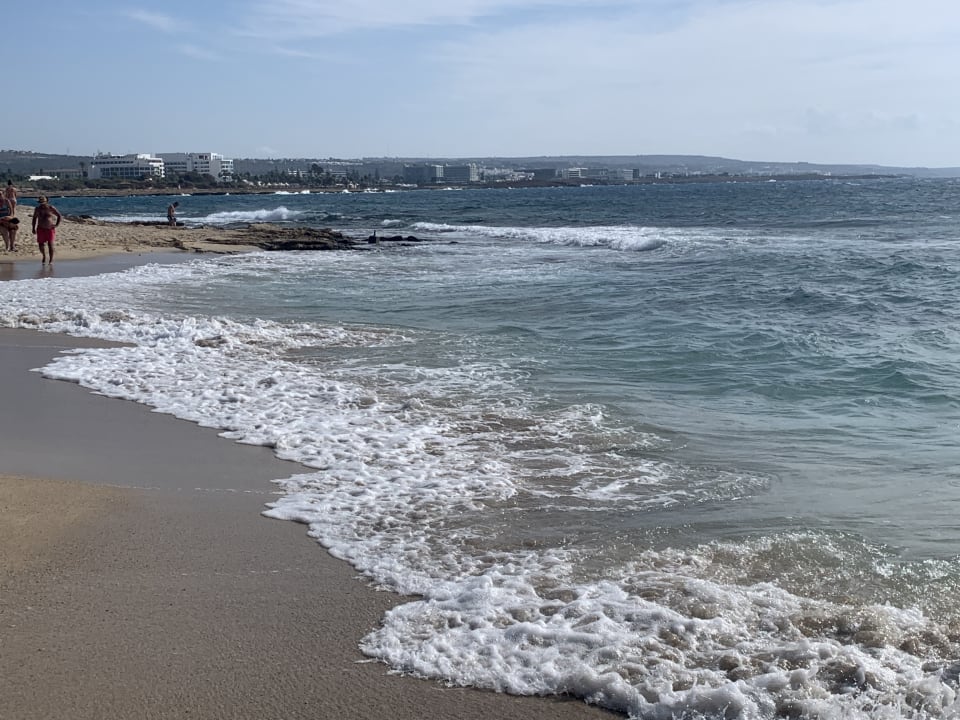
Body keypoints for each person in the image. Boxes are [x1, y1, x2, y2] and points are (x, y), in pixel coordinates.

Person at [32, 196, 61, 264]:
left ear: (47, 201)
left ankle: (51, 260)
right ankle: (44, 256)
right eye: (41, 200)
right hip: (40, 228)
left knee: (50, 244)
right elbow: (34, 218)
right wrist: (33, 228)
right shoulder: (37, 209)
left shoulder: (51, 208)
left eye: (43, 200)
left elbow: (59, 215)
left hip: (49, 228)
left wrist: (57, 225)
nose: (42, 202)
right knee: (40, 244)